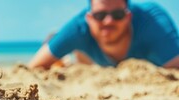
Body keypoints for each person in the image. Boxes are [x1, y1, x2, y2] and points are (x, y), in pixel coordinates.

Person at [29, 0, 179, 69]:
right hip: (92, 60)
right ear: (89, 18)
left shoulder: (152, 21)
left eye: (117, 14)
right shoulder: (78, 27)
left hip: (101, 61)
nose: (108, 21)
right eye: (100, 15)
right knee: (77, 62)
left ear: (128, 16)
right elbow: (35, 66)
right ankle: (68, 57)